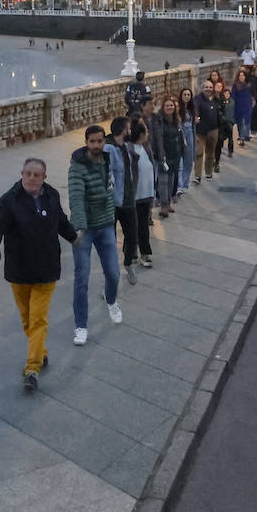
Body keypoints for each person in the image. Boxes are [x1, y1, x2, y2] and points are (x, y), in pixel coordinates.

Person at [0, 158, 77, 391]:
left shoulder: (51, 195)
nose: (31, 178)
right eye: (28, 173)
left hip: (46, 268)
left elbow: (60, 220)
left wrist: (73, 237)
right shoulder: (9, 200)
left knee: (38, 318)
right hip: (19, 270)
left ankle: (32, 368)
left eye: (36, 175)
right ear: (22, 174)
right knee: (27, 318)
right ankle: (41, 351)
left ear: (44, 178)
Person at [67, 125, 123, 346]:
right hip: (85, 229)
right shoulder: (77, 168)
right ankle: (81, 326)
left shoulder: (107, 158)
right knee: (81, 279)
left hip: (106, 224)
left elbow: (112, 186)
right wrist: (79, 228)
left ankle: (111, 301)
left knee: (114, 273)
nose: (97, 145)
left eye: (100, 141)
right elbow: (76, 198)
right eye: (93, 142)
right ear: (86, 142)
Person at [106, 117, 139, 281]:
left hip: (129, 200)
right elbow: (108, 175)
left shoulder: (127, 146)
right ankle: (111, 274)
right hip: (113, 203)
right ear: (123, 130)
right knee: (110, 242)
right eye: (129, 128)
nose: (130, 131)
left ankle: (128, 264)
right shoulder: (109, 149)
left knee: (132, 236)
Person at [149, 97, 185, 219]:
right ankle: (164, 204)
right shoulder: (159, 121)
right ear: (163, 108)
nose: (170, 107)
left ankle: (168, 202)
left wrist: (182, 151)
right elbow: (158, 138)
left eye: (171, 106)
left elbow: (180, 137)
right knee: (163, 181)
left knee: (171, 181)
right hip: (162, 154)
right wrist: (161, 155)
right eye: (167, 106)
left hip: (174, 154)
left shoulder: (176, 120)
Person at [129, 122, 157, 268]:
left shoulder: (145, 148)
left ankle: (144, 253)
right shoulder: (129, 150)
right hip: (134, 197)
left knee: (143, 227)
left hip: (146, 195)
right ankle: (131, 252)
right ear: (140, 134)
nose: (148, 133)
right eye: (146, 131)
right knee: (132, 227)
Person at [191, 84, 220, 183]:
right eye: (206, 87)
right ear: (203, 88)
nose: (208, 89)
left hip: (213, 130)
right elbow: (195, 108)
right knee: (199, 153)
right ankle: (197, 176)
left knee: (210, 152)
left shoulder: (215, 98)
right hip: (201, 131)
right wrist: (196, 116)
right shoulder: (198, 99)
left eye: (210, 87)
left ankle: (208, 173)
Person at [176, 87, 195, 196]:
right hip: (182, 134)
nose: (187, 96)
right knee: (180, 161)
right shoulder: (179, 109)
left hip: (190, 134)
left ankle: (184, 183)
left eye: (188, 95)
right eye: (185, 94)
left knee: (188, 160)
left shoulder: (191, 109)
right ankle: (179, 185)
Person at [214, 79, 235, 165]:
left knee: (230, 136)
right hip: (219, 122)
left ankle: (230, 150)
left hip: (229, 121)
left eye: (228, 94)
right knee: (219, 139)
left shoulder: (231, 102)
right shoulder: (216, 99)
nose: (226, 95)